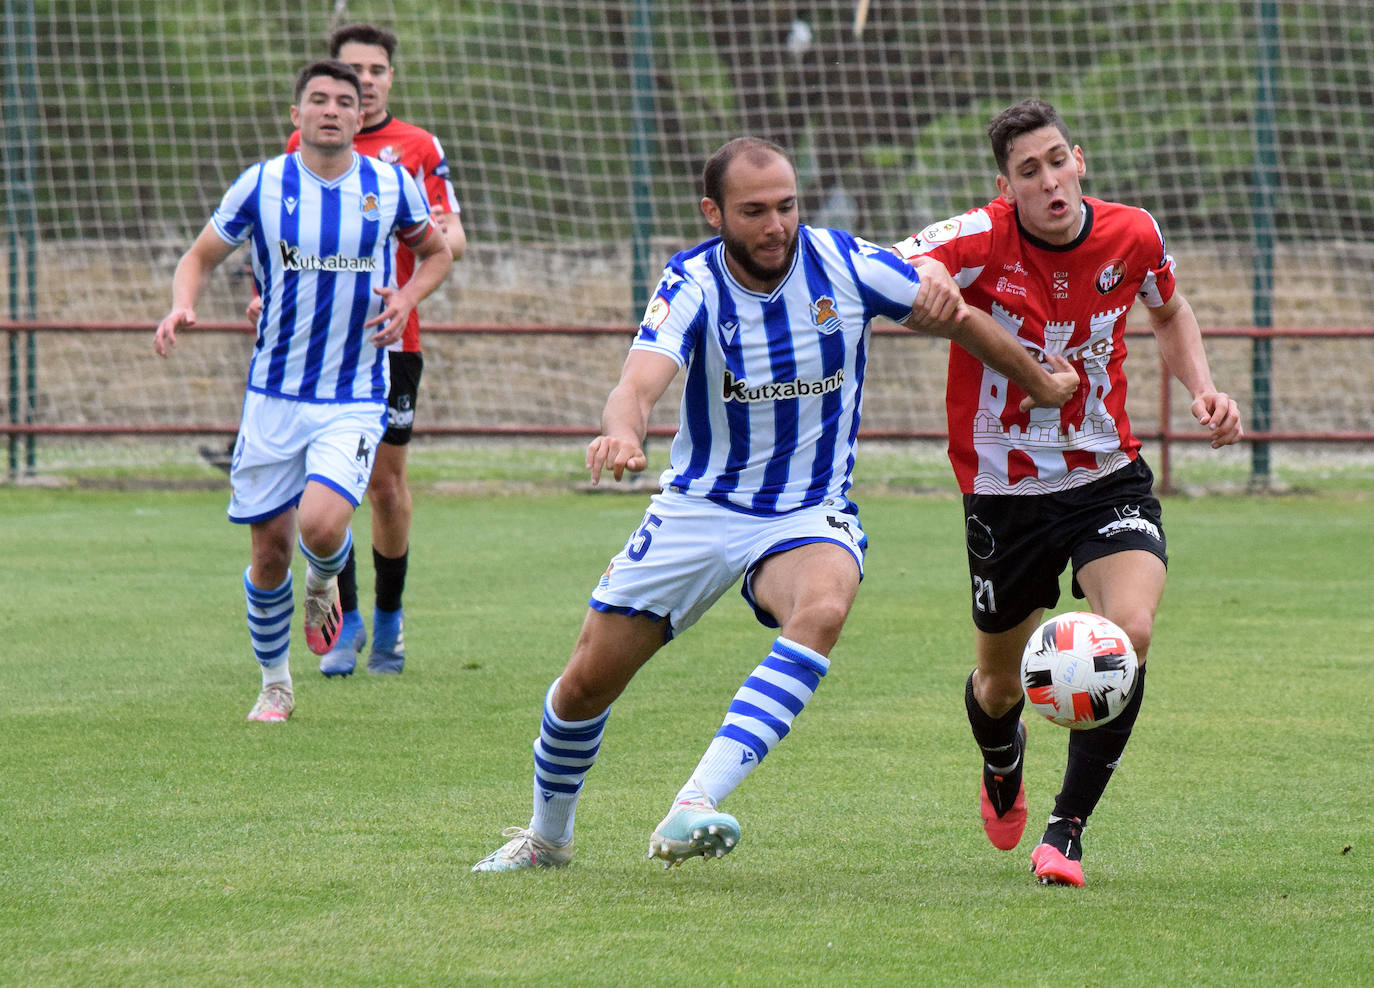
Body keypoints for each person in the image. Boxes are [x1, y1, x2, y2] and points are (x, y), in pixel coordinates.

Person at [471, 137, 1078, 872]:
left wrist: (1037, 382)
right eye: (754, 211)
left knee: (823, 605)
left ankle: (695, 802)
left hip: (806, 511)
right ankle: (546, 839)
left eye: (787, 206)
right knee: (583, 685)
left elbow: (953, 316)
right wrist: (622, 433)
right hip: (701, 506)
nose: (776, 225)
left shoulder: (846, 264)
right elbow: (638, 380)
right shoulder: (691, 280)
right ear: (713, 212)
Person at [894, 98, 1243, 886]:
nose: (1050, 181)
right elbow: (892, 261)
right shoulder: (982, 237)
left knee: (1131, 631)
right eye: (1029, 171)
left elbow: (1171, 309)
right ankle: (1000, 753)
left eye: (1058, 161)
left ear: (1078, 158)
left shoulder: (1134, 233)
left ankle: (1067, 828)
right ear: (1005, 186)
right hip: (1002, 491)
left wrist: (1204, 389)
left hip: (1104, 476)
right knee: (995, 683)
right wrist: (927, 278)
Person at [155, 60, 452, 722]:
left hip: (353, 390)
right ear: (297, 116)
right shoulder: (261, 185)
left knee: (320, 525)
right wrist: (181, 305)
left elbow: (437, 252)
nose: (331, 109)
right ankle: (275, 684)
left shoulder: (389, 182)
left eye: (344, 101)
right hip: (273, 395)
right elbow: (200, 256)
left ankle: (325, 579)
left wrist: (405, 298)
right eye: (317, 99)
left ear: (359, 116)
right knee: (268, 550)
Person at [274, 23, 468, 678]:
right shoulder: (306, 143)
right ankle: (345, 619)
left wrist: (411, 284)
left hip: (390, 343)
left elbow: (451, 237)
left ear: (388, 77)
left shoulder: (414, 149)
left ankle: (388, 619)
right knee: (325, 490)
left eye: (376, 69)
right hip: (315, 351)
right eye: (353, 69)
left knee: (385, 485)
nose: (365, 80)